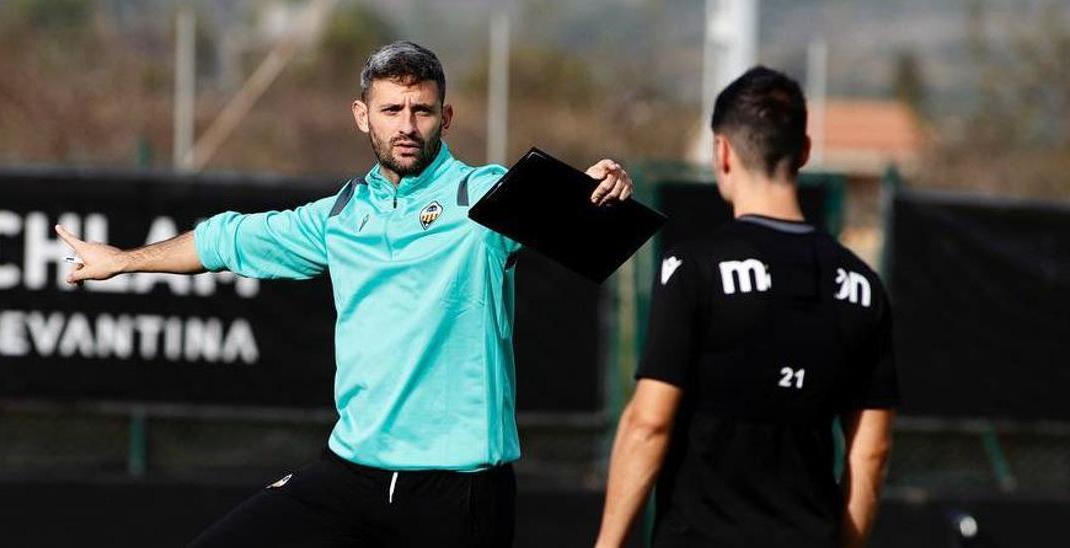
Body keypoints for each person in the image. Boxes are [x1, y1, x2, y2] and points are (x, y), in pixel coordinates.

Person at [55, 41, 633, 548]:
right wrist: (123, 260)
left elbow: (587, 208)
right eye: (391, 110)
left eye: (422, 110)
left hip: (458, 491)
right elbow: (224, 240)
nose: (407, 125)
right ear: (362, 116)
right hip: (351, 476)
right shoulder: (340, 216)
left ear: (446, 117)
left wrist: (602, 188)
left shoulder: (482, 197)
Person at [594, 66, 898, 548]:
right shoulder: (862, 285)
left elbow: (648, 423)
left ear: (722, 151)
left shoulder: (693, 268)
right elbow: (872, 450)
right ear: (804, 151)